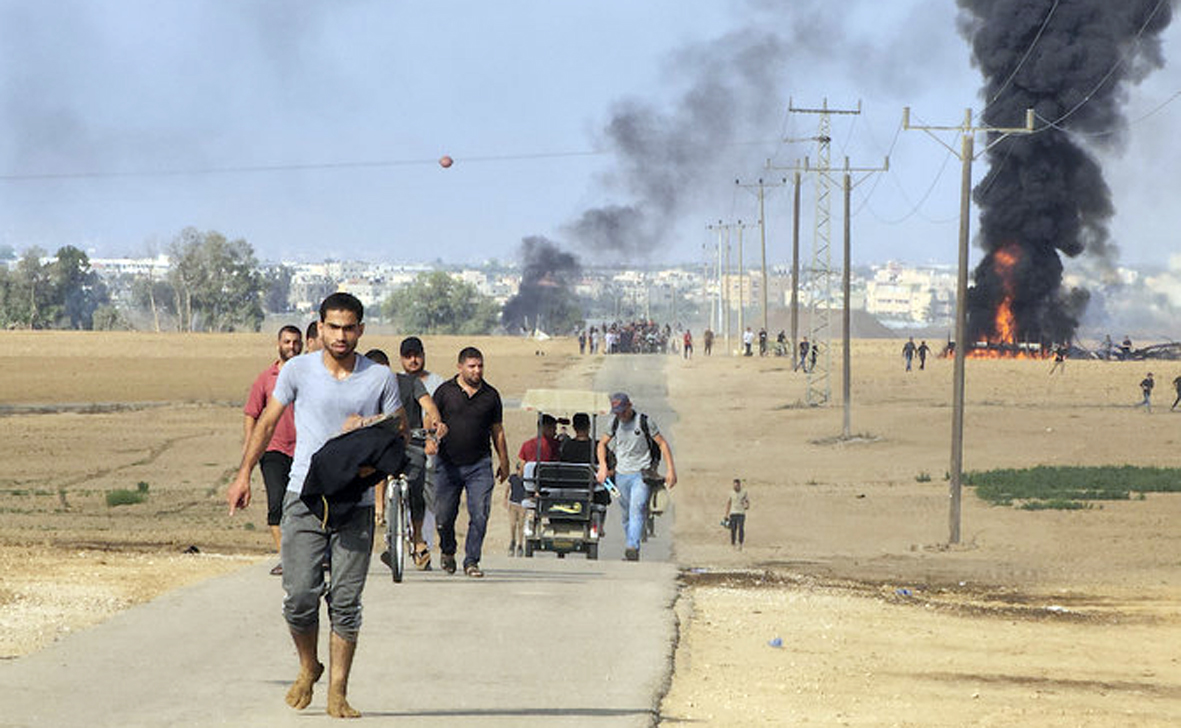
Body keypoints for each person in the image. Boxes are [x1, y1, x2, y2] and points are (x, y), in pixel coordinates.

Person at [227, 292, 405, 719]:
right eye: (334, 327)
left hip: (354, 500)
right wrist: (243, 474)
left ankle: (338, 692)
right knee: (300, 596)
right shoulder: (297, 370)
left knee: (345, 600)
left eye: (350, 328)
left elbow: (398, 433)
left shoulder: (380, 378)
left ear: (361, 330)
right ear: (320, 328)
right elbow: (268, 421)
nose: (341, 336)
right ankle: (309, 666)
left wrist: (368, 440)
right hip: (305, 494)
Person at [432, 346, 511, 578]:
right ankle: (447, 550)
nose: (477, 371)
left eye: (480, 366)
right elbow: (432, 419)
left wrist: (504, 461)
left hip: (479, 464)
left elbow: (498, 430)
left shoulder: (491, 396)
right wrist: (433, 433)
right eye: (472, 366)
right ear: (460, 367)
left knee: (480, 514)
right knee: (444, 516)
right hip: (447, 464)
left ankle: (471, 561)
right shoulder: (445, 392)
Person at [242, 324, 303, 575]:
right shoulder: (265, 379)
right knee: (276, 504)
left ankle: (310, 556)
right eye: (287, 342)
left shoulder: (308, 375)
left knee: (303, 505)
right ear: (279, 344)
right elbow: (252, 414)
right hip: (273, 450)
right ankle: (287, 560)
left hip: (303, 450)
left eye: (296, 342)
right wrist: (250, 451)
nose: (292, 347)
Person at [596, 392, 677, 562]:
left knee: (637, 508)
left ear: (630, 406)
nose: (621, 415)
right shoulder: (615, 423)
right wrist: (603, 467)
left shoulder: (644, 422)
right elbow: (602, 444)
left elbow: (662, 443)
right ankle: (630, 542)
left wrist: (671, 470)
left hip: (641, 474)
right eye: (617, 412)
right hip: (621, 475)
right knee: (625, 514)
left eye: (623, 411)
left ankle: (632, 547)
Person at [398, 336, 448, 569]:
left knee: (426, 498)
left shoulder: (436, 382)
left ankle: (423, 543)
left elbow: (431, 412)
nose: (413, 360)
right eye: (408, 356)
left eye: (417, 355)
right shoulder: (393, 382)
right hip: (402, 444)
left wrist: (432, 437)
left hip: (428, 445)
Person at [722, 478, 750, 550]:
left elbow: (747, 502)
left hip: (741, 513)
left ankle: (740, 543)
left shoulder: (744, 492)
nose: (735, 487)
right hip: (733, 513)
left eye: (737, 485)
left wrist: (746, 506)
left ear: (739, 485)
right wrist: (726, 514)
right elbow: (728, 503)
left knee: (741, 528)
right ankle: (733, 544)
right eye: (734, 485)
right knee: (733, 529)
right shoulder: (731, 493)